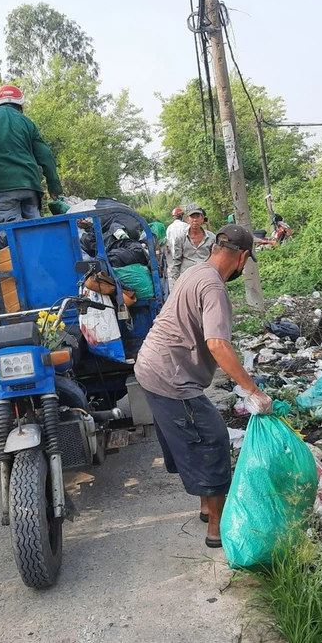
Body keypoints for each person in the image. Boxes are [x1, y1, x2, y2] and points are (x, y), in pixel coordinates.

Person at [134, 225, 273, 548]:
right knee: (212, 439)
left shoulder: (195, 271)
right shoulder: (214, 288)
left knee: (192, 436)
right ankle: (216, 527)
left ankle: (205, 506)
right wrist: (253, 390)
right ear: (241, 258)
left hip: (150, 366)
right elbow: (217, 344)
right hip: (171, 377)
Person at [0, 84, 63, 224]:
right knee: (35, 232)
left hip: (2, 186)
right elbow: (46, 156)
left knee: (10, 237)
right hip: (30, 186)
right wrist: (54, 186)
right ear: (20, 106)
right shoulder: (28, 123)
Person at [169, 204, 215, 284]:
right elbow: (177, 261)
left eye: (198, 216)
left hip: (207, 279)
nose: (195, 220)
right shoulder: (181, 238)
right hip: (187, 279)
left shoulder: (212, 238)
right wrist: (177, 282)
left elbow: (215, 260)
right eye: (192, 217)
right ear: (187, 219)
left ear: (202, 219)